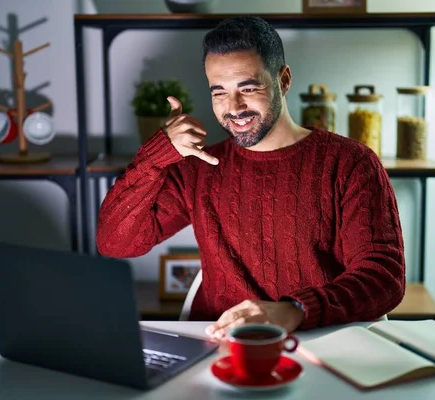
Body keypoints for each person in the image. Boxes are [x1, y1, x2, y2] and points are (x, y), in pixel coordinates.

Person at [96, 16, 405, 340]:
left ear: (283, 81)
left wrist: (295, 310)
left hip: (320, 343)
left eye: (249, 88)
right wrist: (157, 154)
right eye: (219, 92)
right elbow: (115, 243)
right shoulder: (200, 167)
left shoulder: (350, 163)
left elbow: (384, 278)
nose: (234, 107)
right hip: (219, 346)